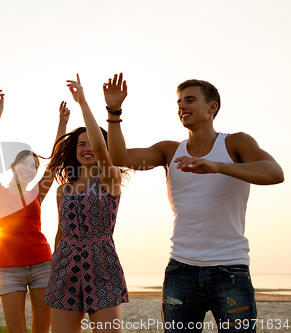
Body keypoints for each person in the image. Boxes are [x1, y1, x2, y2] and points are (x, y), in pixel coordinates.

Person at [105, 73, 285, 332]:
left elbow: (274, 173)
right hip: (181, 269)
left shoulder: (236, 143)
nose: (182, 107)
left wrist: (217, 166)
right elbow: (118, 156)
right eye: (179, 102)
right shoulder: (169, 151)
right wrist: (114, 110)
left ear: (212, 107)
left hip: (230, 268)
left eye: (190, 100)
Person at [45, 75, 128, 333]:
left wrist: (83, 102)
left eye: (92, 143)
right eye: (81, 145)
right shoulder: (63, 191)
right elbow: (61, 233)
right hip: (64, 266)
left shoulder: (110, 179)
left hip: (101, 263)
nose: (87, 148)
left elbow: (104, 152)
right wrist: (55, 264)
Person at [0, 90, 70, 333]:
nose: (29, 168)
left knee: (41, 329)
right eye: (24, 163)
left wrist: (62, 123)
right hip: (9, 268)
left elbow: (54, 163)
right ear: (12, 167)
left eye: (33, 166)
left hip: (43, 264)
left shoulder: (35, 194)